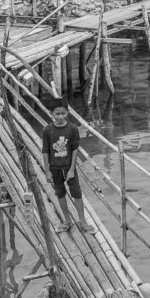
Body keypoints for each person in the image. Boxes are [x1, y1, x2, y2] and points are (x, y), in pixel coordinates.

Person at [41, 99, 91, 233]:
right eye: (57, 114)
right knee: (60, 193)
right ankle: (67, 220)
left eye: (63, 113)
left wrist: (72, 169)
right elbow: (45, 151)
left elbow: (75, 149)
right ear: (51, 113)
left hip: (69, 167)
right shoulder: (47, 131)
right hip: (54, 168)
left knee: (77, 193)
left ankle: (82, 221)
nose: (60, 116)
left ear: (68, 112)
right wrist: (47, 171)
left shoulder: (72, 129)